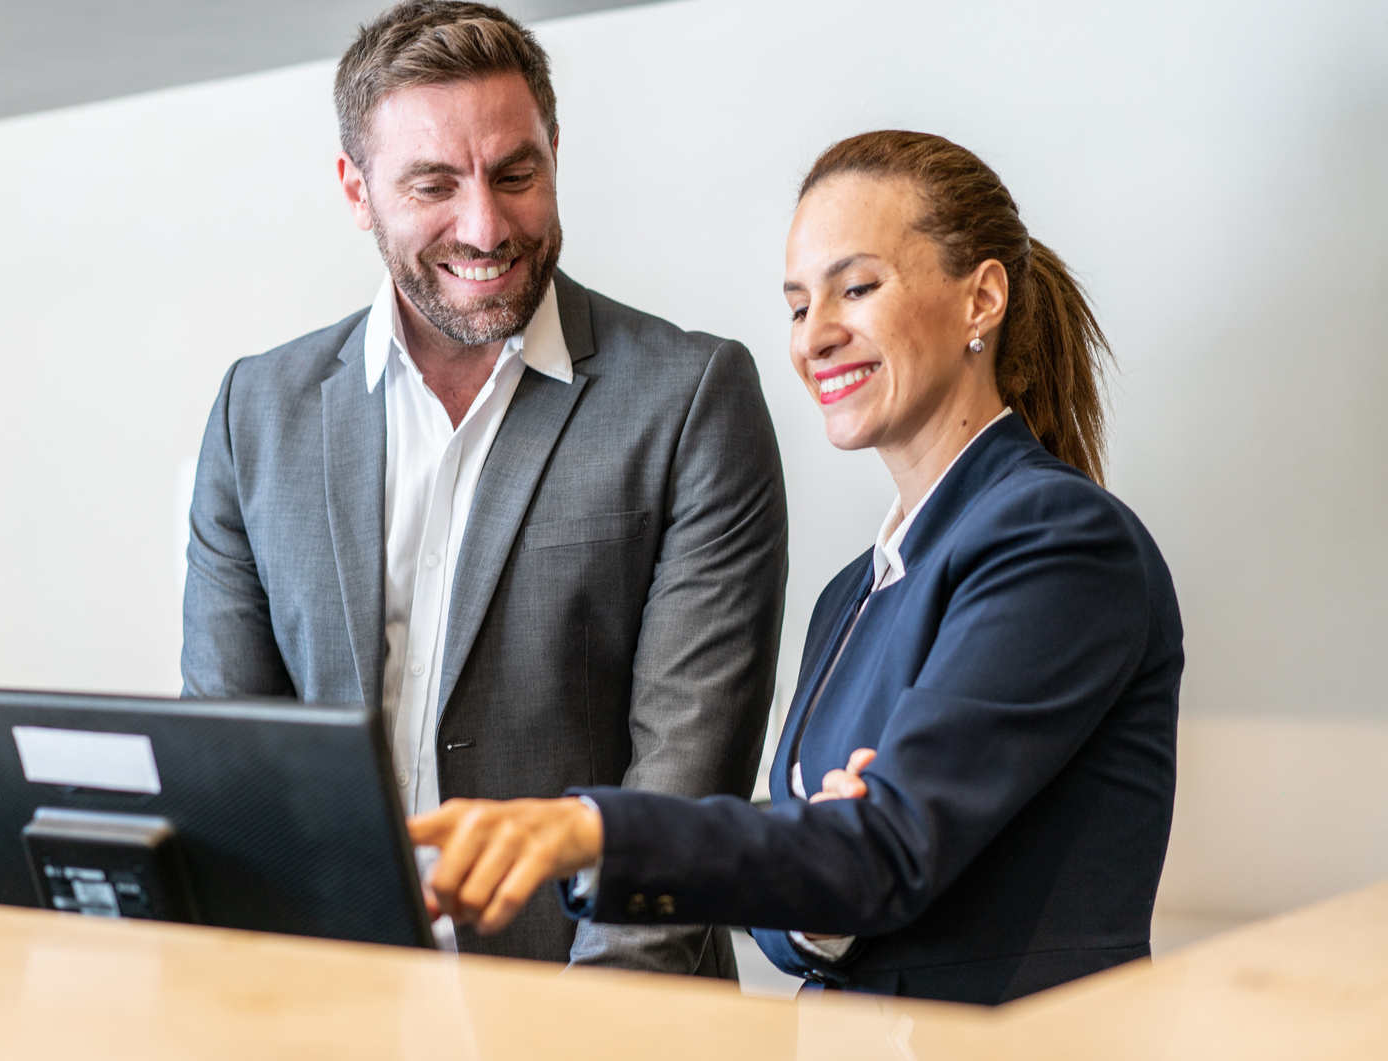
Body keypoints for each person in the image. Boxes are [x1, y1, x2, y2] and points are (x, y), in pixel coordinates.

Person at [409, 130, 1183, 1005]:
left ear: (982, 299)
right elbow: (794, 922)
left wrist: (595, 831)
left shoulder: (1059, 541)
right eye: (795, 305)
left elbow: (882, 854)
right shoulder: (846, 595)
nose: (815, 335)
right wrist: (829, 874)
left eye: (856, 287)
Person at [180, 0, 787, 977]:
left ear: (555, 154)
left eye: (517, 174)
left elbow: (680, 780)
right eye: (432, 184)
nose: (485, 224)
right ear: (356, 189)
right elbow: (230, 762)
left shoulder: (688, 399)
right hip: (331, 1007)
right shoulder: (259, 411)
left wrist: (591, 1029)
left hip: (599, 1012)